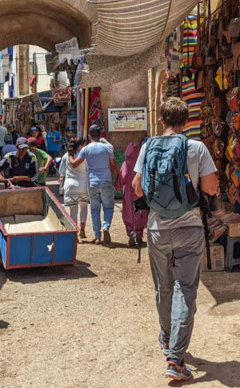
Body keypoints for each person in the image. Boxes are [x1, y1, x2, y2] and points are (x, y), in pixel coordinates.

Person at [132, 97, 219, 381]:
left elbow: (136, 190)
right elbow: (210, 186)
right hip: (190, 228)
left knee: (163, 287)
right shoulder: (197, 147)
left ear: (161, 120)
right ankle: (176, 359)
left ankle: (168, 339)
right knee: (186, 289)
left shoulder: (148, 147)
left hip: (157, 229)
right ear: (187, 121)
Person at [69, 124, 119, 245]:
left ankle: (97, 237)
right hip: (106, 181)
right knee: (108, 207)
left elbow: (74, 164)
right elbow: (113, 166)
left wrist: (70, 154)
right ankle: (106, 226)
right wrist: (117, 178)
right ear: (100, 135)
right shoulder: (107, 148)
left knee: (95, 210)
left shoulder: (86, 149)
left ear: (90, 136)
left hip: (92, 183)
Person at [116, 142, 148, 247]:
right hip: (140, 192)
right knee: (141, 214)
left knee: (129, 213)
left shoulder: (126, 163)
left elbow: (123, 176)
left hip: (129, 193)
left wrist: (118, 186)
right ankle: (139, 235)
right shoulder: (142, 163)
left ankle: (131, 234)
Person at [58, 138, 89, 241]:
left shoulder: (65, 156)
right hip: (83, 184)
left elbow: (61, 172)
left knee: (73, 211)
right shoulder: (84, 156)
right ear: (79, 146)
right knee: (84, 207)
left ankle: (75, 234)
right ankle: (83, 231)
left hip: (70, 185)